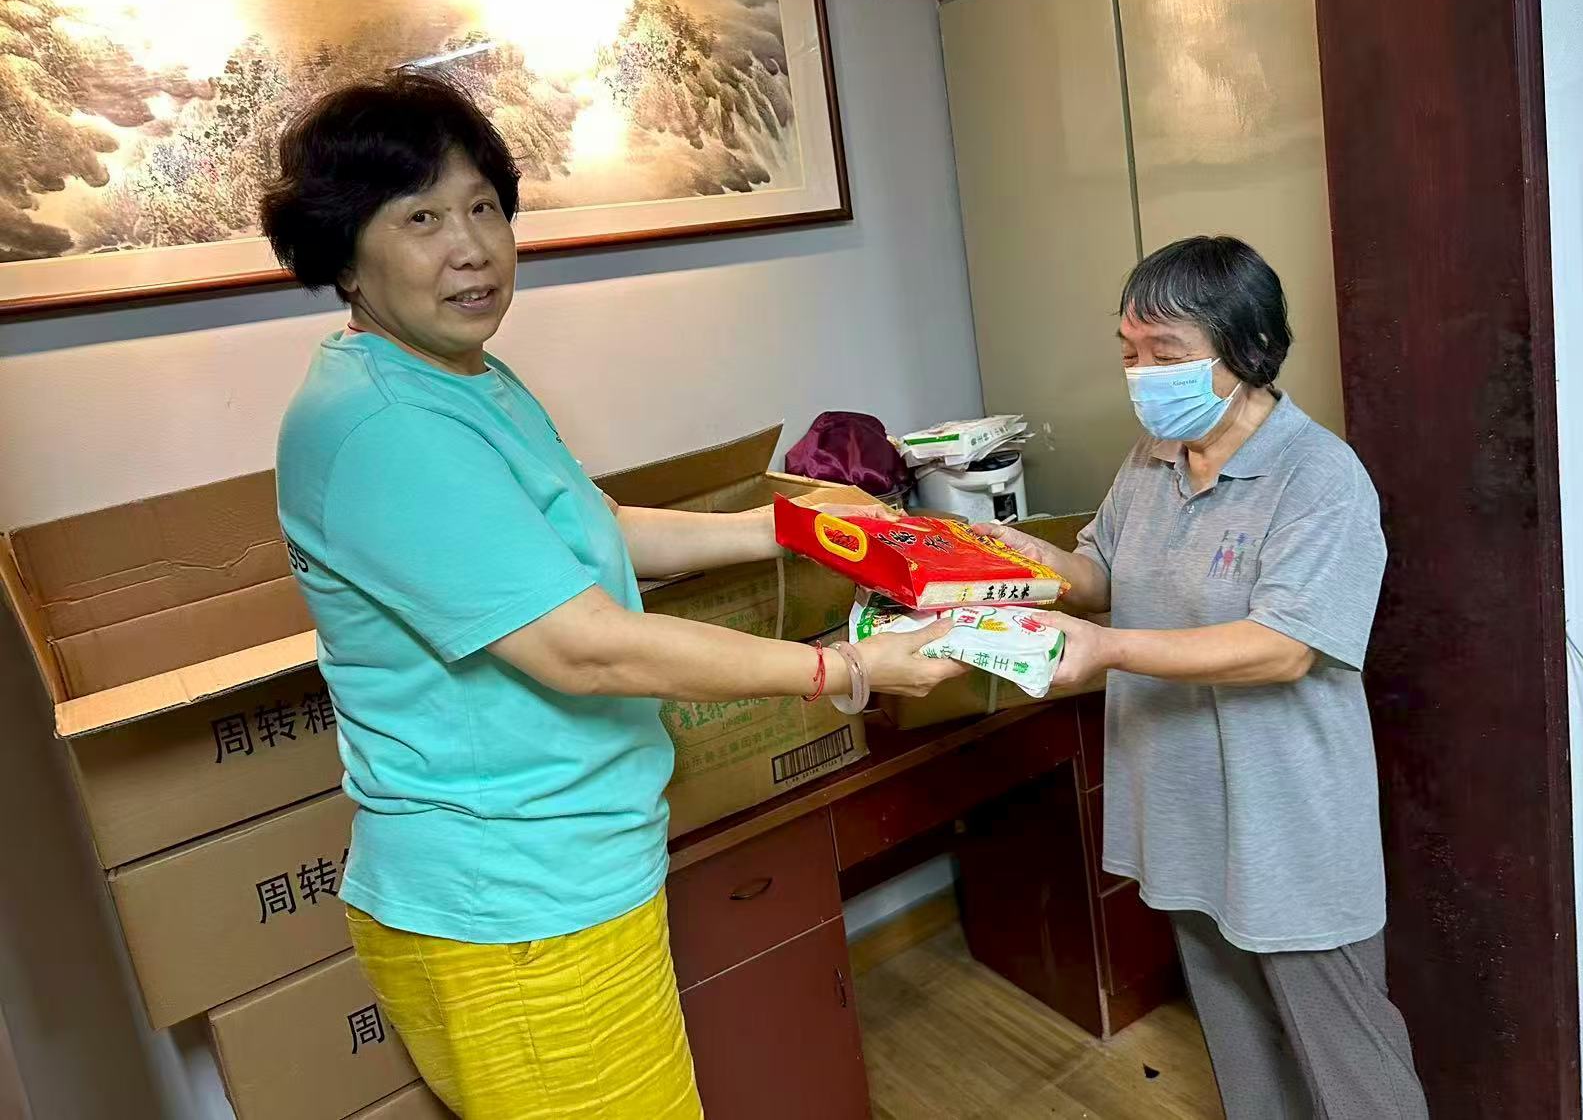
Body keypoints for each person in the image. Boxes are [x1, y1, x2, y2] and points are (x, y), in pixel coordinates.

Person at [263, 71, 964, 1120]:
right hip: (516, 904)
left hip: (567, 869)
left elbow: (591, 528)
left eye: (484, 207)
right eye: (421, 218)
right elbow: (582, 645)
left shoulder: (462, 376)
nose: (472, 247)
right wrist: (848, 669)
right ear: (344, 253)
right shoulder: (383, 426)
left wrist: (791, 524)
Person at [988, 236, 1428, 1119]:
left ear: (1248, 350)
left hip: (1287, 819)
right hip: (1181, 802)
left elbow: (1284, 646)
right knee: (1239, 1036)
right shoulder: (1153, 457)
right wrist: (1011, 556)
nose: (1142, 376)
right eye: (1129, 352)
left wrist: (1108, 650)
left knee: (1351, 1061)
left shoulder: (1319, 476)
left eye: (1167, 354)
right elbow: (1101, 575)